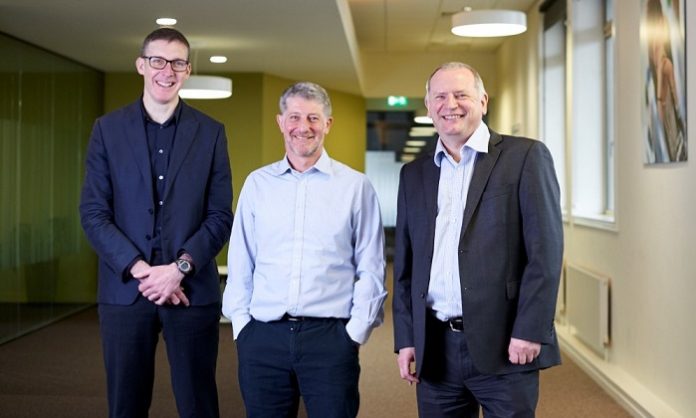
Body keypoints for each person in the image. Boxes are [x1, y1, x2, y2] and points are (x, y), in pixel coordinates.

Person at [392, 62, 563, 417]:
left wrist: (530, 330)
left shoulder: (525, 157)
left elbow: (544, 254)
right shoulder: (414, 174)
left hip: (505, 345)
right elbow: (407, 268)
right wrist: (407, 339)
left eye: (460, 95)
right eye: (439, 96)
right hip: (436, 349)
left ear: (482, 101)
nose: (449, 104)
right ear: (428, 106)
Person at [79, 27, 233, 418]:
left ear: (187, 70)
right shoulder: (107, 130)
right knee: (126, 407)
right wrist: (142, 269)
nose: (167, 70)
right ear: (141, 66)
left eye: (178, 62)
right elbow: (94, 212)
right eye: (158, 61)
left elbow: (219, 216)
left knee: (199, 404)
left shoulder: (212, 133)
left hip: (191, 291)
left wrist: (179, 269)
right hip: (126, 292)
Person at [222, 81, 387, 418]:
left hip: (329, 339)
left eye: (314, 118)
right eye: (294, 116)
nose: (303, 127)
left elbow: (371, 267)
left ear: (328, 124)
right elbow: (241, 261)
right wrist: (242, 325)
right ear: (281, 122)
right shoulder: (258, 184)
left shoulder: (355, 187)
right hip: (263, 337)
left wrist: (353, 333)